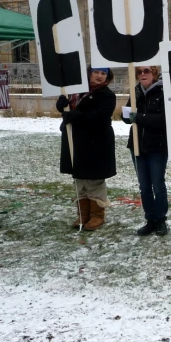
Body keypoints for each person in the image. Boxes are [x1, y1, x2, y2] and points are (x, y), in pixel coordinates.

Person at [56, 66, 117, 231]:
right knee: (80, 179)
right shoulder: (76, 92)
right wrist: (61, 105)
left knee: (94, 179)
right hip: (76, 140)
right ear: (89, 73)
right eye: (96, 72)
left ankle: (97, 215)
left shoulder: (107, 95)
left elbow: (99, 116)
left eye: (103, 73)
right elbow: (68, 110)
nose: (99, 76)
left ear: (107, 77)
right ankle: (83, 214)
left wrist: (74, 116)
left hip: (96, 142)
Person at [122, 65, 170, 237]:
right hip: (137, 147)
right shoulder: (135, 92)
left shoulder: (163, 92)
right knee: (144, 187)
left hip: (157, 147)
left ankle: (160, 220)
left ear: (154, 73)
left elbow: (164, 119)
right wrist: (126, 115)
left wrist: (139, 118)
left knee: (158, 185)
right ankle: (150, 219)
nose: (143, 74)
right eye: (140, 71)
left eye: (147, 71)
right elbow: (129, 115)